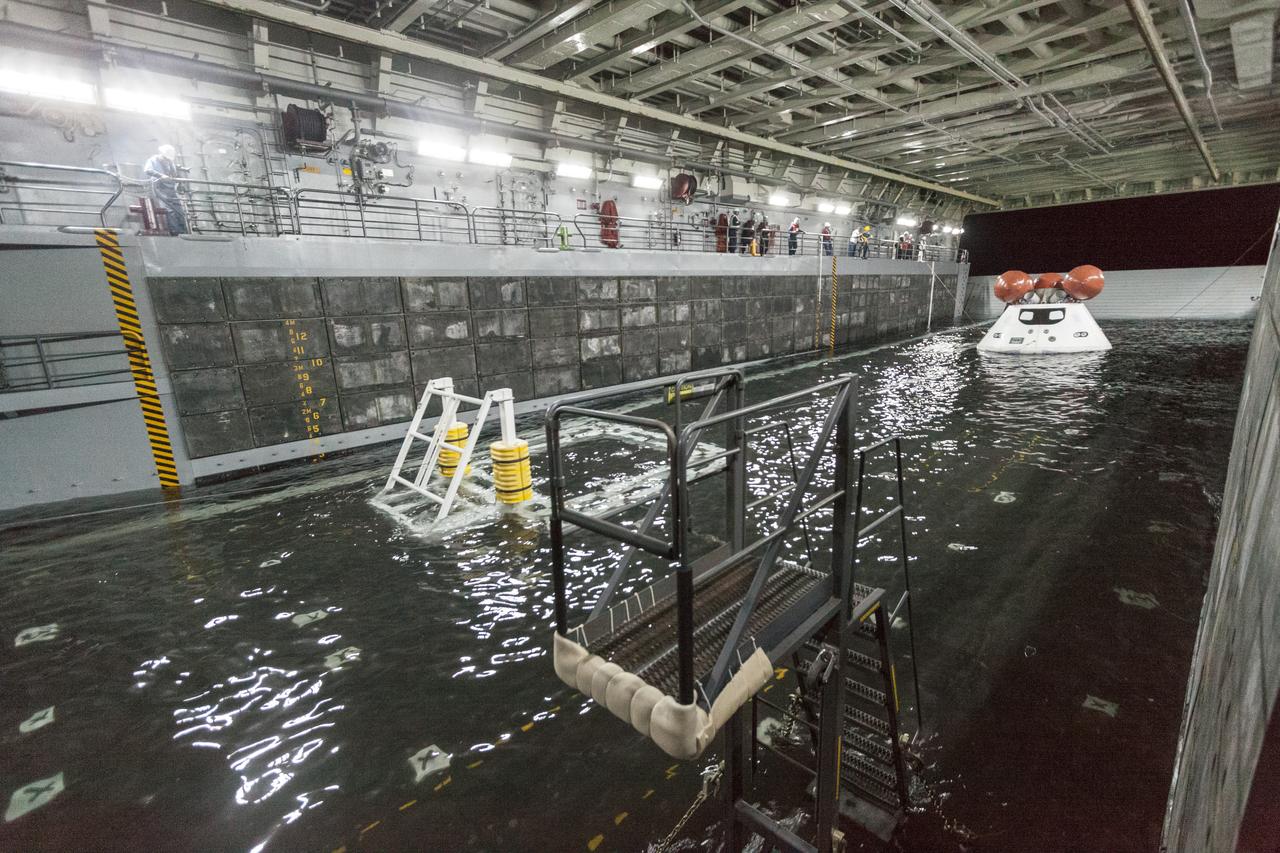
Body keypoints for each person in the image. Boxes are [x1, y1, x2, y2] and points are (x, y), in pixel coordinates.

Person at [143, 144, 188, 235]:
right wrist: (161, 176)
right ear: (161, 154)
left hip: (171, 189)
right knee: (170, 210)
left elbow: (173, 173)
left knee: (179, 211)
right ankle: (176, 233)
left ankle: (184, 232)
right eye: (166, 158)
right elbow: (148, 170)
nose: (167, 160)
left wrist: (179, 181)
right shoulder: (153, 160)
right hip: (160, 188)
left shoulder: (170, 162)